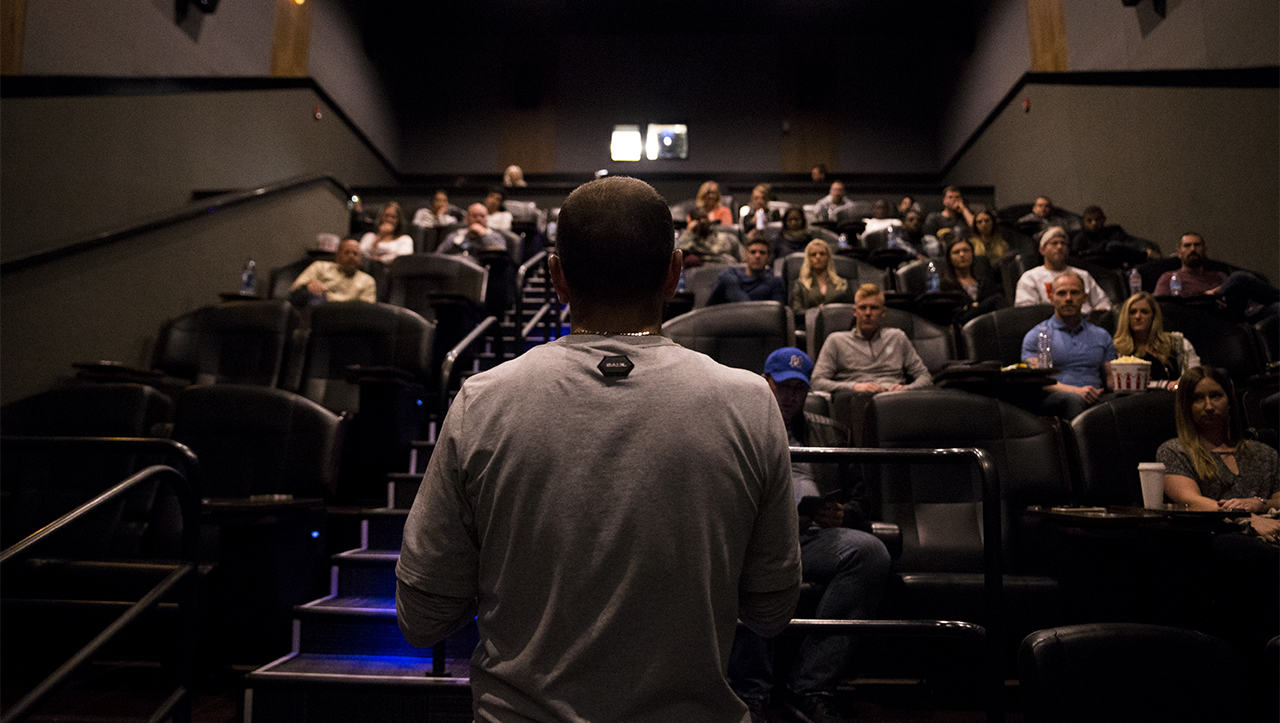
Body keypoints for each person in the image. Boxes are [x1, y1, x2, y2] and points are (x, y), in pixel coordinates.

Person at [396, 176, 801, 723]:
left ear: (557, 277)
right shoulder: (752, 402)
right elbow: (772, 609)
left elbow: (422, 617)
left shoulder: (482, 401)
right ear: (675, 274)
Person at [729, 347, 891, 723]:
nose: (790, 397)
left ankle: (810, 686)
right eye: (783, 387)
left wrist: (842, 514)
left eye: (799, 389)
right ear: (765, 383)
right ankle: (749, 692)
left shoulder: (831, 431)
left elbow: (862, 501)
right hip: (757, 537)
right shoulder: (738, 426)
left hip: (813, 537)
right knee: (747, 551)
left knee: (871, 553)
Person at [1020, 272, 1117, 420]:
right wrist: (1077, 391)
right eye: (1061, 293)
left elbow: (1112, 380)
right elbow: (1040, 382)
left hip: (1097, 397)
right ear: (1051, 298)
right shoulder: (1038, 336)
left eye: (1075, 293)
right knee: (1073, 400)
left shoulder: (1101, 335)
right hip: (1056, 399)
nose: (1069, 298)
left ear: (1085, 298)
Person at [812, 283, 932, 394]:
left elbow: (925, 377)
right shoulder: (836, 341)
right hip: (855, 398)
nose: (868, 313)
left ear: (883, 312)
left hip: (894, 398)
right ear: (855, 311)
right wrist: (855, 386)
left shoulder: (897, 337)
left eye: (874, 308)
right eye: (863, 307)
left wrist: (906, 389)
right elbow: (817, 382)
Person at [1154, 233, 1279, 320]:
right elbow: (1161, 307)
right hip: (1204, 315)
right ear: (1178, 253)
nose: (1193, 249)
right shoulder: (1169, 277)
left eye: (1197, 245)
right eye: (1187, 245)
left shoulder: (1218, 276)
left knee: (1277, 308)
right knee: (1237, 278)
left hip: (1236, 313)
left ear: (1204, 250)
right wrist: (1206, 295)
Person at [1014, 226, 1112, 312]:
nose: (1060, 247)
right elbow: (1026, 313)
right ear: (1042, 250)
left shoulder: (1083, 275)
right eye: (1054, 243)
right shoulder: (1030, 278)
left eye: (1063, 243)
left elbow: (1103, 303)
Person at [1112, 292, 1200, 388]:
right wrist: (1164, 385)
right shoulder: (1116, 349)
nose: (1138, 316)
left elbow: (1195, 376)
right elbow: (1118, 384)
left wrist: (1182, 383)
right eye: (1132, 312)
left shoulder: (1178, 343)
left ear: (1153, 316)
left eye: (1144, 312)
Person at [289, 238, 377, 304]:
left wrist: (328, 296)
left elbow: (367, 310)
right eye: (346, 252)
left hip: (348, 318)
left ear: (361, 260)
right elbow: (295, 287)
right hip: (316, 311)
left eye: (355, 254)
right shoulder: (319, 267)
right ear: (337, 256)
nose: (351, 257)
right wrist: (309, 284)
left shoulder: (368, 281)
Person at [940, 236, 1004, 325]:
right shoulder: (946, 285)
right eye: (956, 252)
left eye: (966, 251)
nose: (962, 255)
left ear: (972, 254)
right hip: (964, 326)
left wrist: (971, 307)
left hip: (990, 324)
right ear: (949, 258)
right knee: (997, 299)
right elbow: (954, 315)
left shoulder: (983, 282)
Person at [708, 236, 787, 306]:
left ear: (768, 258)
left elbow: (777, 314)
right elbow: (710, 307)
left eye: (762, 253)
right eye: (753, 252)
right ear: (745, 256)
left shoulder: (775, 282)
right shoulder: (730, 275)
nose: (757, 256)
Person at [790, 239, 856, 318]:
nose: (818, 257)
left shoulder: (842, 283)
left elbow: (851, 309)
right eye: (813, 254)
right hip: (810, 325)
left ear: (828, 257)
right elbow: (797, 312)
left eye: (822, 254)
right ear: (808, 259)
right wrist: (817, 312)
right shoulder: (800, 284)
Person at [1068, 205, 1148, 266]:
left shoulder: (1113, 231)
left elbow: (1129, 245)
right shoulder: (1080, 238)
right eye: (1089, 220)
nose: (1094, 223)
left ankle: (1146, 256)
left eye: (1097, 219)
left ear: (1103, 219)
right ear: (1084, 222)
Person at [679, 206, 744, 266]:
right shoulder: (690, 241)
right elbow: (680, 252)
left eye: (704, 217)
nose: (702, 221)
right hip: (703, 273)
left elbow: (744, 259)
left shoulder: (728, 239)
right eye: (698, 219)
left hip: (728, 269)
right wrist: (689, 232)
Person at [437, 203, 508, 258]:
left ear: (486, 219)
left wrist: (483, 235)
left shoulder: (495, 236)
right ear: (466, 218)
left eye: (482, 216)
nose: (478, 219)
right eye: (474, 216)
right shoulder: (456, 235)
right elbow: (438, 256)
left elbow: (501, 257)